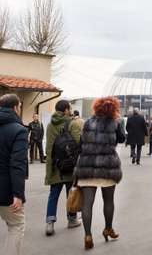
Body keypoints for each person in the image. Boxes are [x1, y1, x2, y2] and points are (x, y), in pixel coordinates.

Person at [74, 97, 126, 250]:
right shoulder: (116, 123)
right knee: (108, 201)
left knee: (87, 203)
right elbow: (122, 139)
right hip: (107, 167)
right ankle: (108, 228)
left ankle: (88, 235)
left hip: (87, 167)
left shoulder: (87, 122)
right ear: (113, 109)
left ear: (96, 108)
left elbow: (81, 143)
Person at [45, 99, 82, 236]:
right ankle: (72, 220)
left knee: (53, 195)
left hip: (56, 166)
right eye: (69, 108)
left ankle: (50, 223)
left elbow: (49, 148)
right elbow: (79, 144)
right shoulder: (72, 123)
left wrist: (51, 167)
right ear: (66, 110)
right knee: (70, 193)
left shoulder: (50, 124)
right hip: (69, 166)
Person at [0, 94, 27, 255]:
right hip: (6, 190)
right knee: (16, 225)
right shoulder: (19, 130)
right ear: (15, 107)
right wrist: (18, 194)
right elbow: (17, 164)